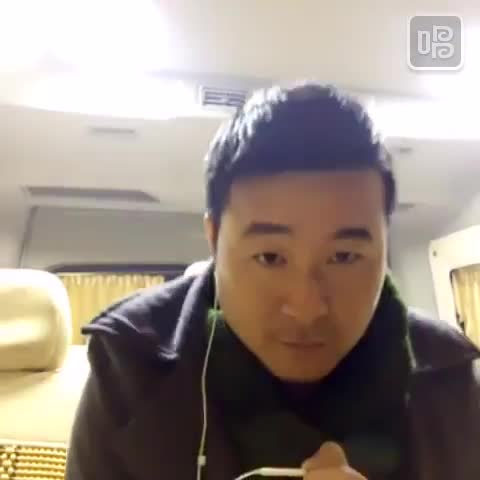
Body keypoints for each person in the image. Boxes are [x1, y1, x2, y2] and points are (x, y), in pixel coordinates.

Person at [66, 83, 480, 480]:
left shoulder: (447, 375)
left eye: (343, 257)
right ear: (214, 239)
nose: (306, 306)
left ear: (385, 246)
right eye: (270, 257)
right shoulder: (133, 363)